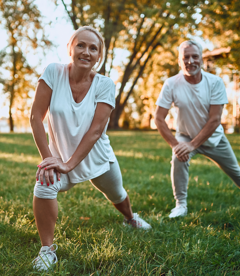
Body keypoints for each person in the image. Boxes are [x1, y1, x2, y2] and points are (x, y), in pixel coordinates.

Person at [30, 26, 151, 271]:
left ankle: (130, 218)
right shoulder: (53, 72)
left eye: (93, 48)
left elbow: (96, 131)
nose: (86, 51)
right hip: (59, 157)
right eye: (81, 45)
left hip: (97, 158)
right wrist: (48, 159)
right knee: (43, 185)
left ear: (99, 56)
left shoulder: (105, 84)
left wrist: (69, 165)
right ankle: (47, 250)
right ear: (70, 49)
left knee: (117, 194)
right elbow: (35, 117)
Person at [155, 40, 240, 219]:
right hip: (185, 136)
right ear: (179, 61)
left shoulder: (215, 82)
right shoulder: (171, 84)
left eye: (195, 56)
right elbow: (159, 118)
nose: (190, 61)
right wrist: (175, 145)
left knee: (236, 173)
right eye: (186, 57)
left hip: (214, 139)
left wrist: (193, 145)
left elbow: (215, 119)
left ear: (201, 59)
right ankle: (180, 205)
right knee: (178, 159)